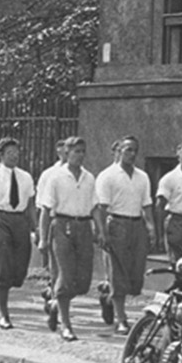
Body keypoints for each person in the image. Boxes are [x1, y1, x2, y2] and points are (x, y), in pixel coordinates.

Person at [38, 136, 99, 342]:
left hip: (83, 227)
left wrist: (99, 230)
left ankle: (55, 303)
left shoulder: (89, 178)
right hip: (61, 226)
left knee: (82, 282)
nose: (79, 156)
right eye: (75, 152)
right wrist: (43, 239)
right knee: (64, 274)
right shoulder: (55, 177)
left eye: (83, 152)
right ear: (66, 152)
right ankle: (66, 324)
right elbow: (46, 210)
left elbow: (95, 206)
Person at [0, 137, 37, 329]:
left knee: (18, 274)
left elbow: (31, 206)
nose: (14, 156)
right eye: (10, 153)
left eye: (17, 153)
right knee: (2, 267)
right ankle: (4, 314)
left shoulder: (26, 177)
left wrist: (36, 228)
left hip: (20, 221)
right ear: (1, 155)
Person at [95, 135, 152, 334]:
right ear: (119, 150)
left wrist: (151, 227)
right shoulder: (107, 176)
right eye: (128, 150)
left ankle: (107, 294)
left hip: (137, 226)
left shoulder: (142, 176)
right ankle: (122, 318)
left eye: (135, 150)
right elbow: (101, 208)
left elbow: (147, 204)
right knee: (118, 274)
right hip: (116, 224)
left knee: (135, 279)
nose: (132, 154)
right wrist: (102, 233)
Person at [35, 138, 68, 306]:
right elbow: (42, 204)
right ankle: (54, 293)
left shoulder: (82, 174)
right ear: (58, 151)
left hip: (73, 222)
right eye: (63, 149)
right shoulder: (49, 174)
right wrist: (41, 231)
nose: (67, 153)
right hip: (54, 219)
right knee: (54, 262)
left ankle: (53, 291)